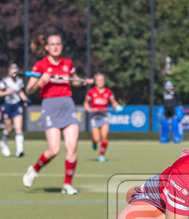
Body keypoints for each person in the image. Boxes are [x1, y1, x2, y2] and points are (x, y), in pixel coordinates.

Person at [22, 33, 93, 195]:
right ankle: (34, 169)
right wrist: (41, 82)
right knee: (54, 150)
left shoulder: (67, 63)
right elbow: (29, 90)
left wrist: (83, 81)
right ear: (47, 47)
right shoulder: (40, 65)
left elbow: (74, 81)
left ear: (61, 46)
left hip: (67, 105)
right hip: (50, 106)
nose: (55, 47)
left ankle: (67, 185)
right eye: (52, 44)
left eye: (58, 44)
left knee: (72, 147)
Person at [83, 72, 123, 162]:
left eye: (102, 80)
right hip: (94, 116)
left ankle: (101, 155)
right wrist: (88, 109)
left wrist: (117, 106)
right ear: (95, 81)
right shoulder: (91, 92)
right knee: (96, 139)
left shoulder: (108, 92)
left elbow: (113, 102)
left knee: (104, 138)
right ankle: (94, 142)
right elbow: (85, 103)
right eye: (98, 80)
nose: (100, 82)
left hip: (104, 116)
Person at [0, 63, 30, 157]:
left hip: (17, 105)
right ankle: (4, 143)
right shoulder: (5, 81)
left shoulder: (19, 81)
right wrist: (8, 92)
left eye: (16, 72)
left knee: (18, 128)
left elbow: (20, 92)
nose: (14, 74)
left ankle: (20, 150)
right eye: (13, 71)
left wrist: (25, 99)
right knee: (8, 129)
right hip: (7, 106)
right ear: (9, 72)